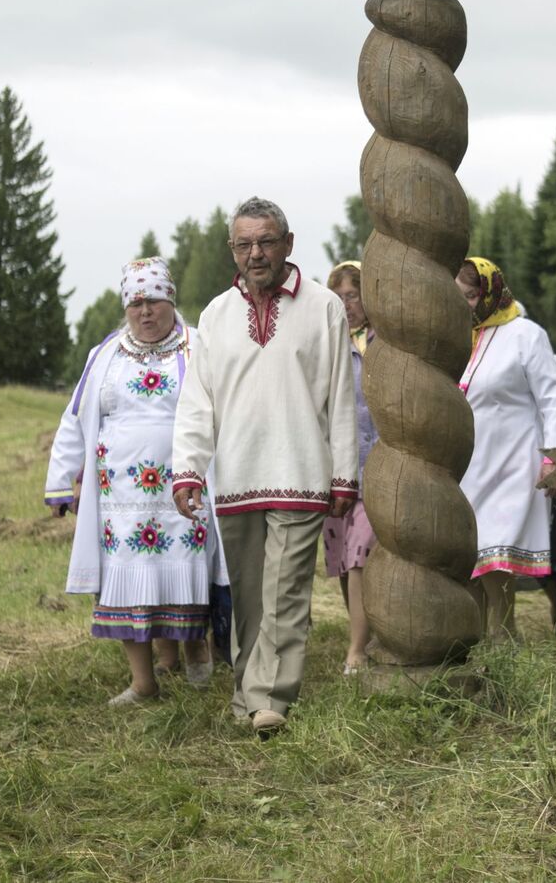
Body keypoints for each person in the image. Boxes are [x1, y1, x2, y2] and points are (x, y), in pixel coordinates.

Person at [172, 197, 357, 739]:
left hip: (301, 470)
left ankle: (269, 698)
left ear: (289, 244)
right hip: (236, 477)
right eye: (245, 243)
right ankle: (247, 692)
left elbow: (341, 399)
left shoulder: (324, 308)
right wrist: (188, 468)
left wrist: (343, 473)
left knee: (285, 591)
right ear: (233, 248)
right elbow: (196, 402)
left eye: (267, 242)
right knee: (251, 597)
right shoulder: (214, 315)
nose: (256, 254)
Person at [44, 258, 225, 705]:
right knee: (127, 580)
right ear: (126, 307)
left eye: (154, 301)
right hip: (120, 497)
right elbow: (75, 418)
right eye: (136, 303)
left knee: (186, 571)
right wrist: (60, 480)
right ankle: (144, 682)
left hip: (183, 489)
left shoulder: (198, 348)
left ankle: (195, 649)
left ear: (171, 301)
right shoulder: (103, 355)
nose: (145, 312)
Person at [454, 257, 556, 641]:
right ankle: (477, 636)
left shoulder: (525, 334)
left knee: (495, 549)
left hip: (513, 460)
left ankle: (503, 633)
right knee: (469, 552)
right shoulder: (456, 335)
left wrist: (555, 457)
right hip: (467, 462)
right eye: (459, 298)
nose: (467, 306)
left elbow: (555, 399)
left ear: (492, 290)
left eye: (472, 296)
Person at [322, 260, 379, 673]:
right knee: (344, 559)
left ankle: (357, 649)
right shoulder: (326, 345)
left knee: (359, 553)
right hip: (337, 468)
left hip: (377, 466)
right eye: (339, 297)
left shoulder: (386, 343)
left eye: (354, 295)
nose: (347, 304)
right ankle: (365, 634)